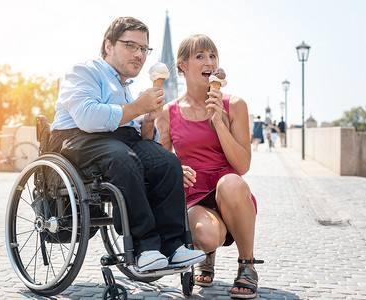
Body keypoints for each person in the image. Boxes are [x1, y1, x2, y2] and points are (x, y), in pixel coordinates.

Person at [47, 17, 205, 272]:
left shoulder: (127, 89)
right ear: (109, 46)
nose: (140, 54)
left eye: (144, 49)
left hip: (117, 142)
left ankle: (173, 246)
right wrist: (136, 108)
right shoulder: (84, 71)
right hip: (78, 139)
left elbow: (137, 135)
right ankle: (145, 247)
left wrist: (147, 122)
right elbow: (88, 118)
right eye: (131, 45)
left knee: (167, 162)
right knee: (123, 158)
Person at [156, 34, 263, 299]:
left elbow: (242, 165)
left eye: (212, 56)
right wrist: (174, 169)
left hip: (230, 190)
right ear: (182, 65)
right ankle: (208, 253)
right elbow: (157, 161)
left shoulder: (234, 105)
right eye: (200, 56)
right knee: (206, 237)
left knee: (230, 182)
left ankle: (247, 265)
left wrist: (219, 123)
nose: (209, 62)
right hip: (194, 195)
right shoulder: (168, 113)